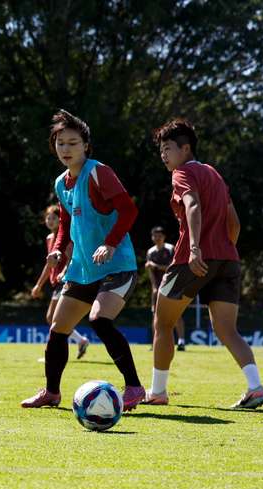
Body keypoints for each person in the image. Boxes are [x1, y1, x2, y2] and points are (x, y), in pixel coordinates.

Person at [22, 110, 145, 410]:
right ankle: (51, 392)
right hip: (81, 268)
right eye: (60, 143)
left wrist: (110, 244)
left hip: (117, 265)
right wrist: (59, 248)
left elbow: (129, 211)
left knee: (99, 320)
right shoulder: (61, 183)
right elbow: (65, 221)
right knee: (57, 329)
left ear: (86, 146)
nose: (66, 149)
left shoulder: (99, 172)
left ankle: (134, 387)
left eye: (73, 143)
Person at [147, 118, 263, 409]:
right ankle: (256, 388)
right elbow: (234, 222)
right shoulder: (214, 174)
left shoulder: (182, 173)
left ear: (185, 148)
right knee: (227, 330)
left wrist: (197, 248)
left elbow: (192, 205)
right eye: (161, 150)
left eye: (167, 148)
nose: (163, 155)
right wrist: (224, 251)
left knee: (163, 323)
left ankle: (158, 392)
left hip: (193, 258)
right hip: (227, 260)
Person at [30, 204, 90, 359]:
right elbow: (49, 265)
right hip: (55, 282)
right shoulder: (49, 238)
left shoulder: (66, 236)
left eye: (54, 218)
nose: (50, 220)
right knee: (54, 319)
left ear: (60, 220)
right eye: (48, 218)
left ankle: (52, 354)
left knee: (52, 318)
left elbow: (71, 258)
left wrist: (63, 272)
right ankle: (80, 340)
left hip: (66, 280)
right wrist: (39, 284)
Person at [144, 226, 185, 350]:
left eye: (159, 235)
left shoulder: (170, 249)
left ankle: (181, 341)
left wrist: (155, 265)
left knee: (176, 313)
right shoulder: (150, 252)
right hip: (158, 288)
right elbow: (149, 270)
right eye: (155, 235)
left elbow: (172, 268)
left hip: (172, 285)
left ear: (164, 237)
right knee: (155, 315)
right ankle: (155, 342)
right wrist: (154, 287)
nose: (157, 238)